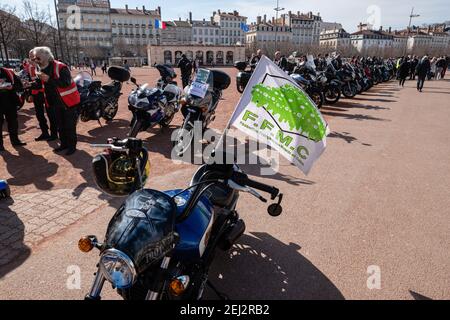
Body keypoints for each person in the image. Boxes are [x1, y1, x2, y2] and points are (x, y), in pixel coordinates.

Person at [30, 47, 80, 155]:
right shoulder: (41, 68)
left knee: (69, 126)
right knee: (60, 126)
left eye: (37, 58)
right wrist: (30, 85)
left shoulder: (61, 67)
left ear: (46, 56)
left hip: (68, 101)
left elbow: (65, 83)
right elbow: (41, 83)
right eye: (34, 58)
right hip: (54, 102)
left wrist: (49, 79)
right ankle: (64, 144)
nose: (35, 60)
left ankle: (72, 146)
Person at [26, 53, 58, 142]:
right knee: (39, 114)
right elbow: (32, 80)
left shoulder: (44, 66)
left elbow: (45, 81)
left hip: (46, 93)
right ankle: (45, 132)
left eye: (33, 57)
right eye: (30, 57)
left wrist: (31, 84)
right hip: (36, 93)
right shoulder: (30, 67)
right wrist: (30, 93)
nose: (31, 59)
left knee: (51, 114)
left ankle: (54, 133)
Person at [0, 66, 26, 151]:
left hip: (10, 102)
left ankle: (15, 140)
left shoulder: (8, 72)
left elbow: (18, 85)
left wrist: (12, 87)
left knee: (13, 122)